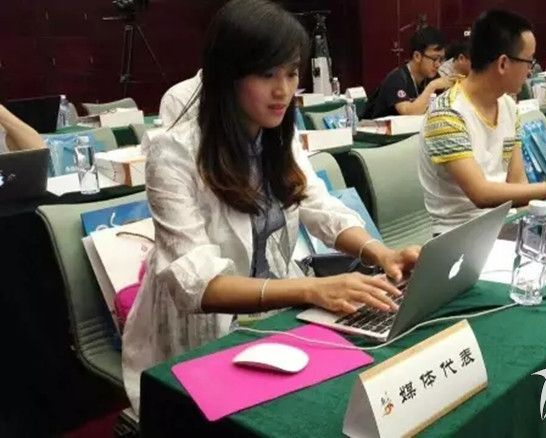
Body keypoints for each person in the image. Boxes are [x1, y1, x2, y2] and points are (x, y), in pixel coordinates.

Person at [122, 0, 420, 412]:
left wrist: (380, 253)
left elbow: (317, 204)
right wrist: (313, 289)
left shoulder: (276, 133)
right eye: (267, 75)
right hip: (201, 333)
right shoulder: (173, 154)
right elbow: (199, 285)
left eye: (292, 73)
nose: (283, 90)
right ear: (228, 74)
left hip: (274, 312)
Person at [418, 10, 546, 235]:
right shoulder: (447, 114)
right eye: (528, 61)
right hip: (459, 235)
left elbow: (517, 184)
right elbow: (481, 194)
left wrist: (533, 229)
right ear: (503, 63)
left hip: (502, 224)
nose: (530, 71)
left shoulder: (508, 106)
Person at [362, 26, 454, 118]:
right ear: (417, 56)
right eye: (435, 59)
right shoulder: (396, 79)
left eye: (441, 59)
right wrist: (432, 86)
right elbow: (409, 112)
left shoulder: (432, 77)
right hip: (376, 126)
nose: (438, 64)